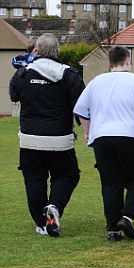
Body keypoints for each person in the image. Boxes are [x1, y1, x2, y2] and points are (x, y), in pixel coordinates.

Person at [73, 45, 134, 242]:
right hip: (132, 136)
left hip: (103, 138)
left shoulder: (96, 82)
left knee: (110, 182)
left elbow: (81, 110)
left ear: (109, 63)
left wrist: (87, 130)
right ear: (128, 61)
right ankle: (127, 217)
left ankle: (113, 228)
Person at [9, 33, 84, 237]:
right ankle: (54, 206)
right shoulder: (70, 74)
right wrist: (86, 129)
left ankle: (42, 223)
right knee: (67, 175)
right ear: (58, 52)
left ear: (37, 51)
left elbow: (13, 95)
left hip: (29, 139)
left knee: (34, 179)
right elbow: (81, 106)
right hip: (60, 141)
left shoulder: (22, 73)